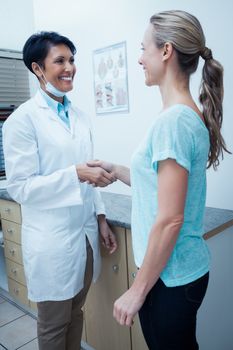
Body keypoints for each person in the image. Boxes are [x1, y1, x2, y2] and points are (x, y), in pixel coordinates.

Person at [87, 10, 230, 350]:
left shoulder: (174, 121)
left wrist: (137, 291)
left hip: (171, 276)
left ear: (166, 51)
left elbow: (170, 219)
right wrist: (118, 170)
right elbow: (163, 189)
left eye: (143, 49)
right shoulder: (183, 115)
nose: (139, 59)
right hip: (179, 271)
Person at [2, 31, 117, 350]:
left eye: (72, 60)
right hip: (52, 242)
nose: (70, 68)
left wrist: (102, 216)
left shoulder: (79, 117)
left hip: (85, 238)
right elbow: (21, 187)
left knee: (76, 314)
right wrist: (73, 173)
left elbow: (90, 173)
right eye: (60, 61)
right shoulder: (22, 121)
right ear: (38, 69)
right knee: (53, 326)